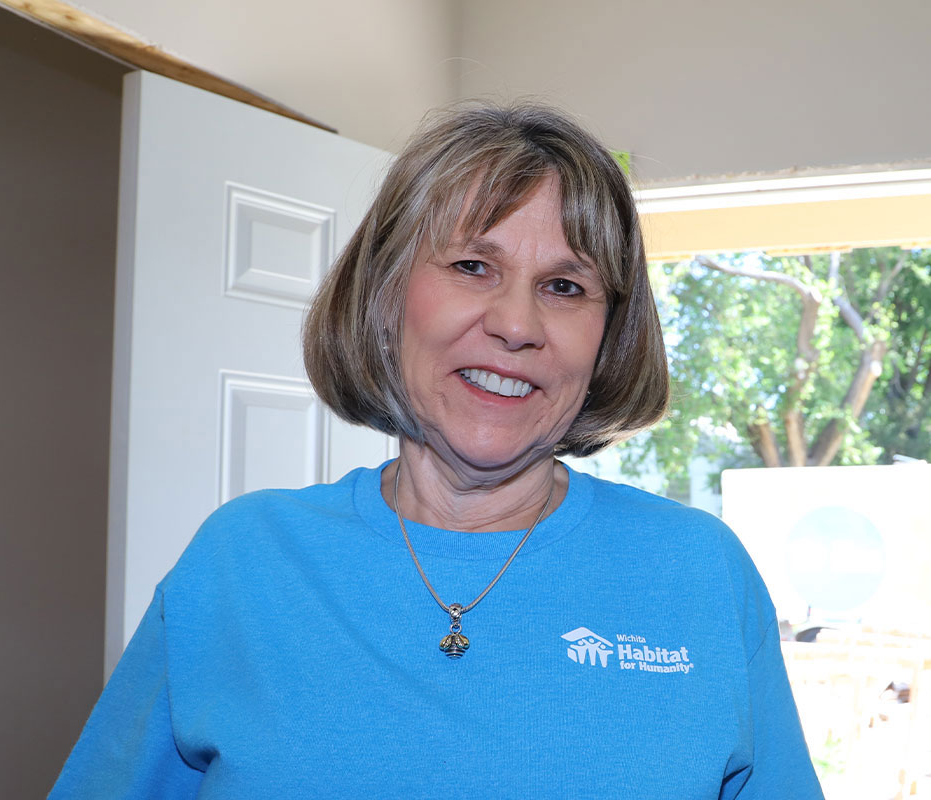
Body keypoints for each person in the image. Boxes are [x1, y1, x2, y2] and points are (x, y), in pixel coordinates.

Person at [50, 102, 824, 798]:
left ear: (607, 335)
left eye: (565, 286)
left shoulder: (699, 573)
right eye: (472, 266)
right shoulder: (240, 562)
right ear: (386, 297)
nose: (517, 324)